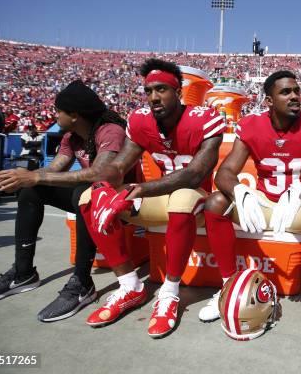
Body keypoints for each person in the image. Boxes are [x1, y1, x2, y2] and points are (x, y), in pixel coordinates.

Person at [80, 59, 224, 338]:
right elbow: (121, 166)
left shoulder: (205, 118)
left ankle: (169, 294)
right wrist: (102, 184)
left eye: (161, 89)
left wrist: (142, 189)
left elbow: (194, 174)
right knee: (89, 197)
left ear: (178, 92)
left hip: (195, 198)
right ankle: (130, 286)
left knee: (182, 197)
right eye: (148, 91)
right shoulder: (140, 120)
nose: (154, 97)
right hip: (158, 199)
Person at [201, 70, 301, 345]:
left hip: (299, 205)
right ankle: (228, 286)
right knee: (216, 202)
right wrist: (240, 190)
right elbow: (226, 172)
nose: (295, 96)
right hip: (266, 203)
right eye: (286, 92)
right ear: (268, 100)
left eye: (296, 90)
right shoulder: (252, 124)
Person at [0, 80, 128, 323]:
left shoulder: (109, 130)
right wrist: (25, 178)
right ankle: (23, 272)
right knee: (34, 189)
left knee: (85, 192)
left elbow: (101, 173)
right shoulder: (71, 136)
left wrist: (35, 175)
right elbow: (53, 170)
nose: (54, 115)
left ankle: (83, 282)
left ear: (74, 115)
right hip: (94, 197)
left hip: (124, 198)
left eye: (57, 110)